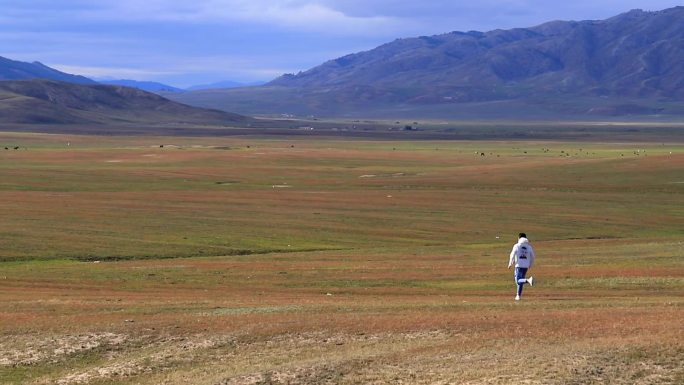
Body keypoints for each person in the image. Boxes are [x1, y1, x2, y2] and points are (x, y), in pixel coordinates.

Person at [508, 233, 535, 300]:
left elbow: (512, 254)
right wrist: (530, 264)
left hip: (518, 266)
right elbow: (533, 256)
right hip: (526, 266)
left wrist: (510, 263)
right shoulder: (529, 247)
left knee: (518, 281)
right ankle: (518, 295)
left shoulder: (517, 246)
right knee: (521, 281)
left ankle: (528, 280)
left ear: (519, 238)